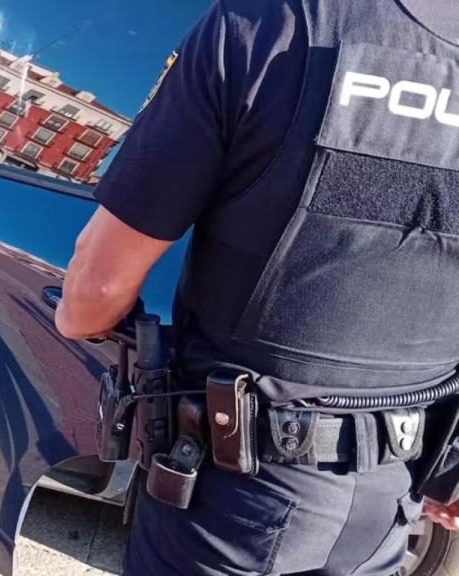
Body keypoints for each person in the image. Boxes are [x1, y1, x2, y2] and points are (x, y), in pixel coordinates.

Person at [55, 0, 459, 574]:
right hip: (390, 502)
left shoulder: (273, 23)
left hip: (228, 506)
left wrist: (78, 321)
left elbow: (96, 286)